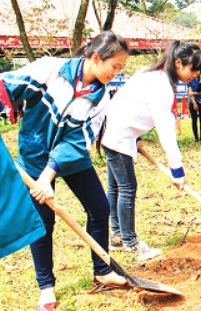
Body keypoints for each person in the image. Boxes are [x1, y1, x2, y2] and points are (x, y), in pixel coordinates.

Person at [0, 30, 130, 309]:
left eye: (121, 68)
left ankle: (103, 269)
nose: (116, 72)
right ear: (96, 57)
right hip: (34, 156)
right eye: (115, 66)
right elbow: (7, 85)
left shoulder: (101, 97)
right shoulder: (50, 69)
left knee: (99, 207)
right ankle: (46, 287)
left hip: (71, 159)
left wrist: (49, 175)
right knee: (43, 222)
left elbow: (77, 140)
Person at [101, 41, 201, 261]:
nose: (195, 76)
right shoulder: (162, 87)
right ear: (179, 63)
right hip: (118, 134)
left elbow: (130, 103)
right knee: (127, 188)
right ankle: (130, 242)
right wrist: (177, 170)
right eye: (192, 70)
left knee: (116, 187)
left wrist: (136, 137)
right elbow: (166, 131)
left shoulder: (150, 74)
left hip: (116, 130)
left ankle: (117, 236)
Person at [187, 76, 201, 141]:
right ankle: (196, 137)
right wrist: (194, 103)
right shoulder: (190, 81)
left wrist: (194, 93)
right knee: (194, 120)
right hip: (192, 102)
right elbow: (190, 93)